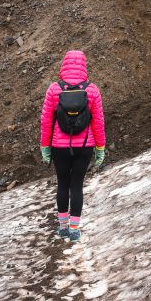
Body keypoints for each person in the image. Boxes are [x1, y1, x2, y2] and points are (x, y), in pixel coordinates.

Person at [40, 50, 106, 242]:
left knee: (63, 183)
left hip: (59, 147)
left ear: (64, 65)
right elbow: (98, 122)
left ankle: (62, 228)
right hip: (85, 145)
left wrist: (45, 147)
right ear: (83, 65)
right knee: (76, 185)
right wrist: (100, 148)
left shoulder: (54, 89)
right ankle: (74, 229)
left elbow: (45, 121)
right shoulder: (92, 90)